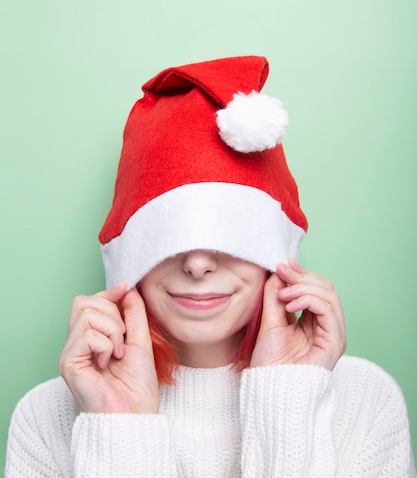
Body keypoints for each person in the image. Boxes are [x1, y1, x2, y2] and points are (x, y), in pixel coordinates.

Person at [5, 55, 416, 477]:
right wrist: (118, 426)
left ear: (275, 252)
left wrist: (291, 396)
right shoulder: (47, 417)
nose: (198, 264)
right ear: (129, 256)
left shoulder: (365, 401)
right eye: (167, 235)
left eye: (230, 234)